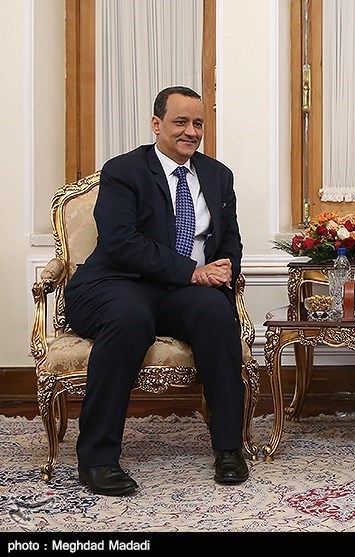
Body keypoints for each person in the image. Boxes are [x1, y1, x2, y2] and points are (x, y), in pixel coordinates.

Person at [65, 86, 249, 496]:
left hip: (179, 291)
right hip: (118, 282)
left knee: (217, 314)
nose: (191, 132)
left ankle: (229, 449)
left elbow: (229, 237)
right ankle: (97, 459)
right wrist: (193, 273)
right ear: (156, 124)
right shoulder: (123, 171)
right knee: (130, 318)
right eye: (180, 122)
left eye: (198, 123)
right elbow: (121, 242)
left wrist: (225, 265)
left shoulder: (218, 175)